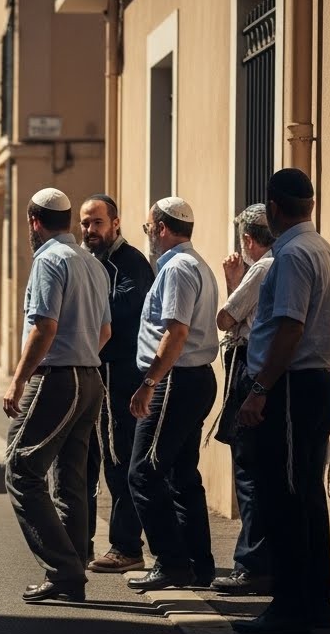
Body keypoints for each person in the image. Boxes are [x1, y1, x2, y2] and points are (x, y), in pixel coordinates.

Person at [232, 168, 330, 634]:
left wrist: (260, 390)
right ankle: (310, 604)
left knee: (286, 497)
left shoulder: (294, 255)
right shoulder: (321, 249)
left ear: (274, 209)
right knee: (303, 494)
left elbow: (290, 326)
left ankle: (291, 606)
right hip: (306, 385)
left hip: (293, 387)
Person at [3, 187, 112, 603]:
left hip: (57, 379)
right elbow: (105, 332)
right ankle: (74, 563)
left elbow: (43, 327)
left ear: (34, 221)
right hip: (89, 378)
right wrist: (82, 358)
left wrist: (18, 379)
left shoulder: (49, 260)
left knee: (20, 470)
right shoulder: (91, 263)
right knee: (70, 479)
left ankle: (64, 570)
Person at [125, 196, 221, 592]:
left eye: (149, 229)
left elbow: (176, 332)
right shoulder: (194, 263)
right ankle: (198, 564)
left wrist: (149, 383)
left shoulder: (178, 268)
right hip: (190, 379)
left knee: (143, 473)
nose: (148, 236)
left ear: (162, 229)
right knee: (182, 475)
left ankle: (171, 562)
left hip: (175, 380)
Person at [78, 193, 154, 574]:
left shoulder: (130, 263)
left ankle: (127, 547)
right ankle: (88, 542)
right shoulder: (92, 262)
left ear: (116, 223)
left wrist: (80, 304)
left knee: (120, 457)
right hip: (98, 373)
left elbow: (124, 310)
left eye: (97, 223)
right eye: (85, 223)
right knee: (102, 459)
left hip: (122, 375)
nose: (90, 230)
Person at [209, 204, 277, 594]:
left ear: (249, 241)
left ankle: (252, 565)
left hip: (251, 371)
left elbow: (226, 318)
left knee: (249, 473)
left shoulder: (262, 267)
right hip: (264, 371)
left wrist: (232, 279)